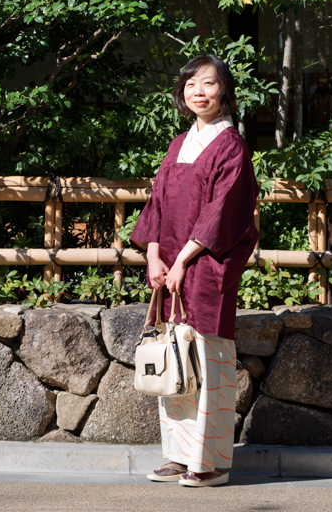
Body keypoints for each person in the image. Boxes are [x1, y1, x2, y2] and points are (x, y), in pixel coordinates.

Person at [129, 53, 259, 488]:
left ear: (224, 90)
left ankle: (211, 461)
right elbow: (157, 203)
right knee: (175, 361)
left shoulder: (232, 145)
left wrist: (184, 259)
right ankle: (177, 456)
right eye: (190, 86)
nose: (198, 92)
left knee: (208, 360)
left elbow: (224, 213)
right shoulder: (179, 143)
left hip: (208, 267)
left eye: (207, 84)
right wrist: (153, 255)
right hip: (168, 267)